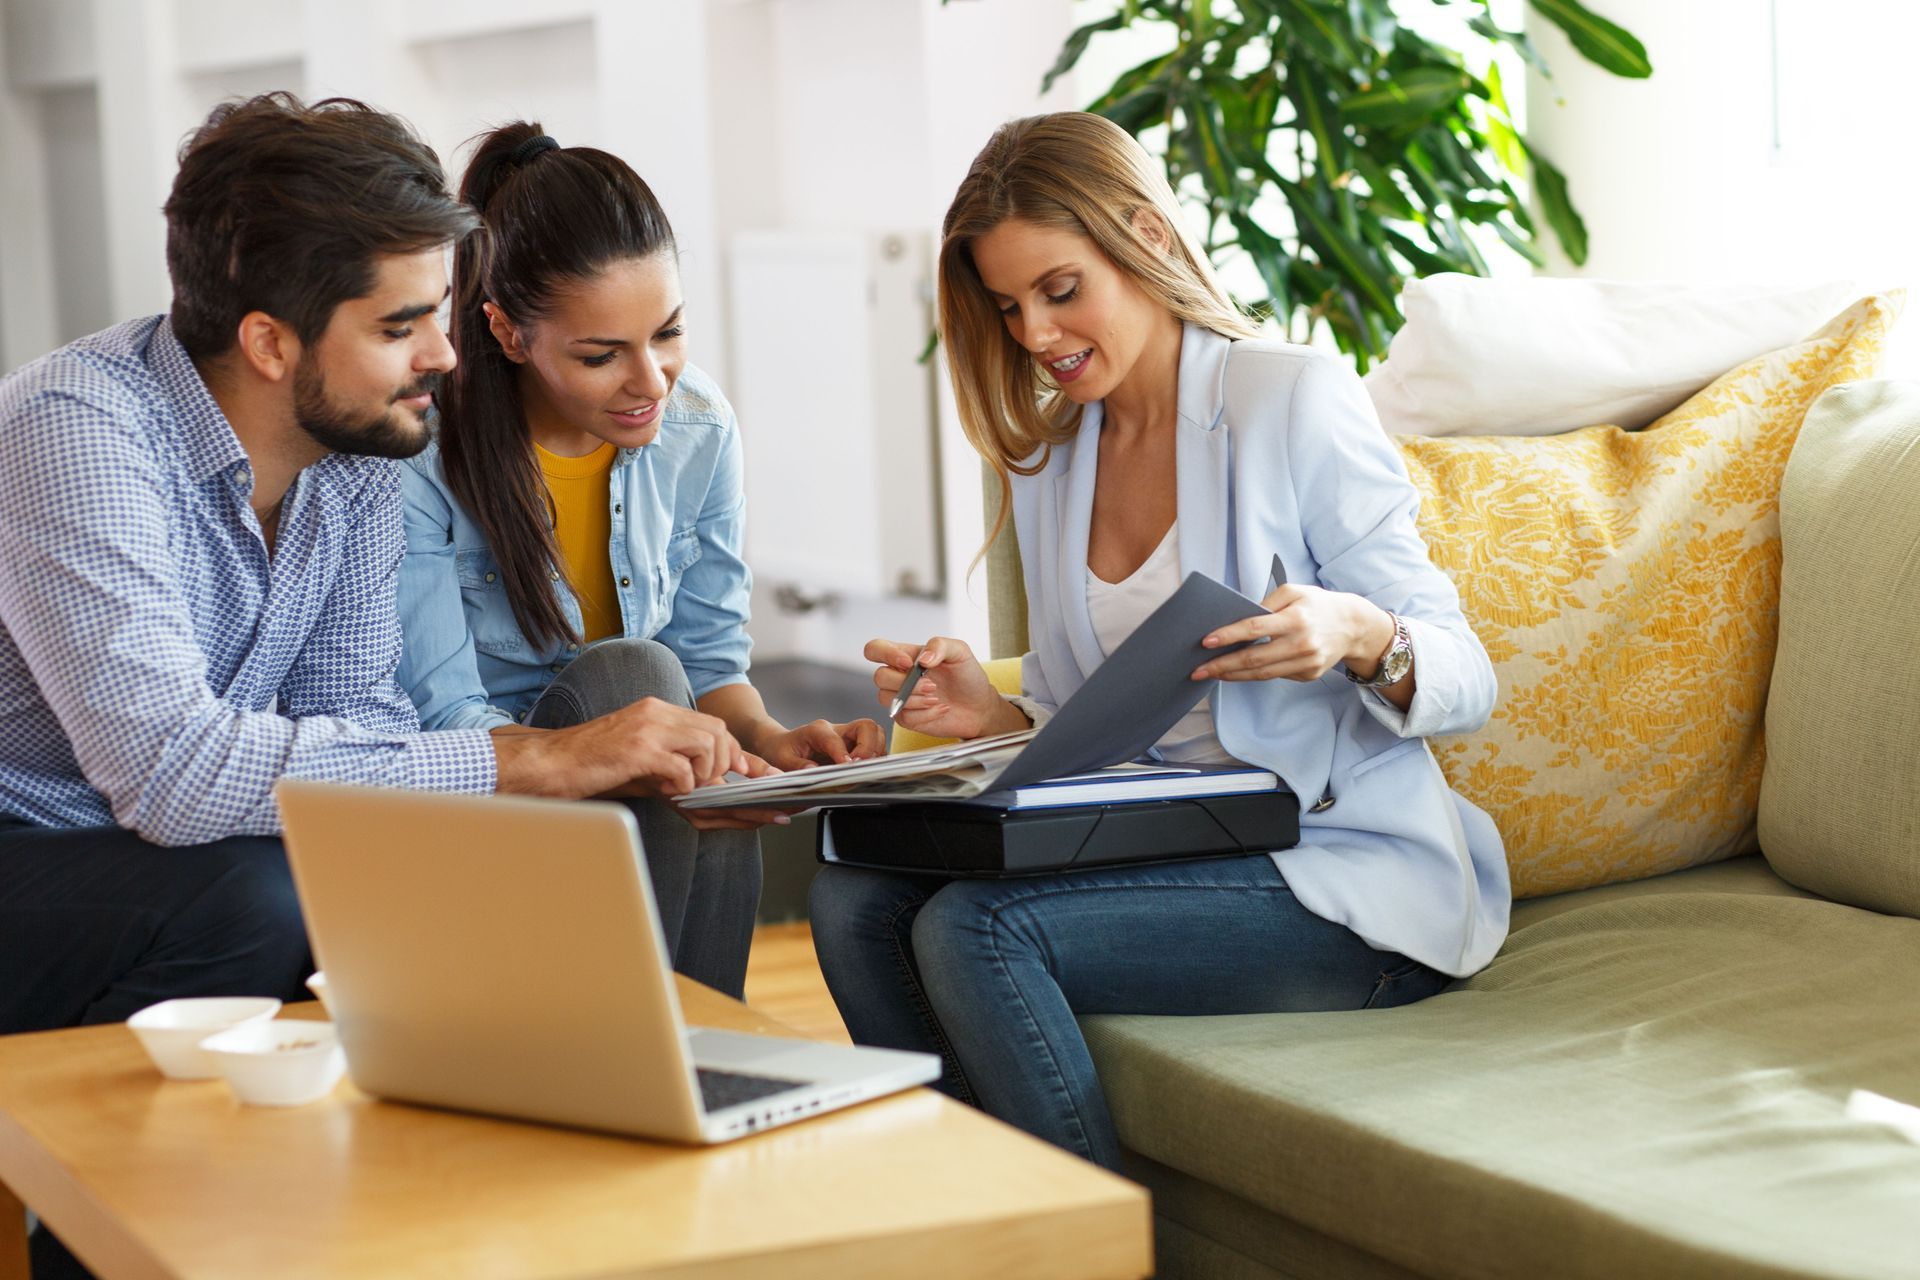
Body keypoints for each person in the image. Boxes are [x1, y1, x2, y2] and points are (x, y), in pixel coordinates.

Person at [809, 112, 1512, 1172]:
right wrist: (996, 715)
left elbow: (1466, 669)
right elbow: (1075, 715)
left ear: (1147, 235)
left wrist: (1357, 632)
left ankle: (1087, 1244)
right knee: (852, 897)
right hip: (1157, 847)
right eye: (1009, 306)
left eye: (1060, 289)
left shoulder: (1287, 398)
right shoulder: (1051, 460)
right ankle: (974, 1218)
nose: (1038, 334)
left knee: (976, 929)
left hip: (1328, 871)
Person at [394, 121, 883, 998]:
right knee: (638, 678)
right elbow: (446, 727)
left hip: (641, 815)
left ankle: (691, 1047)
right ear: (506, 332)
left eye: (667, 334)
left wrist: (770, 744)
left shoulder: (697, 427)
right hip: (489, 808)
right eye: (601, 354)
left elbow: (710, 666)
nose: (652, 381)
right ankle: (653, 1047)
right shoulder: (422, 456)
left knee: (685, 726)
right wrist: (613, 737)